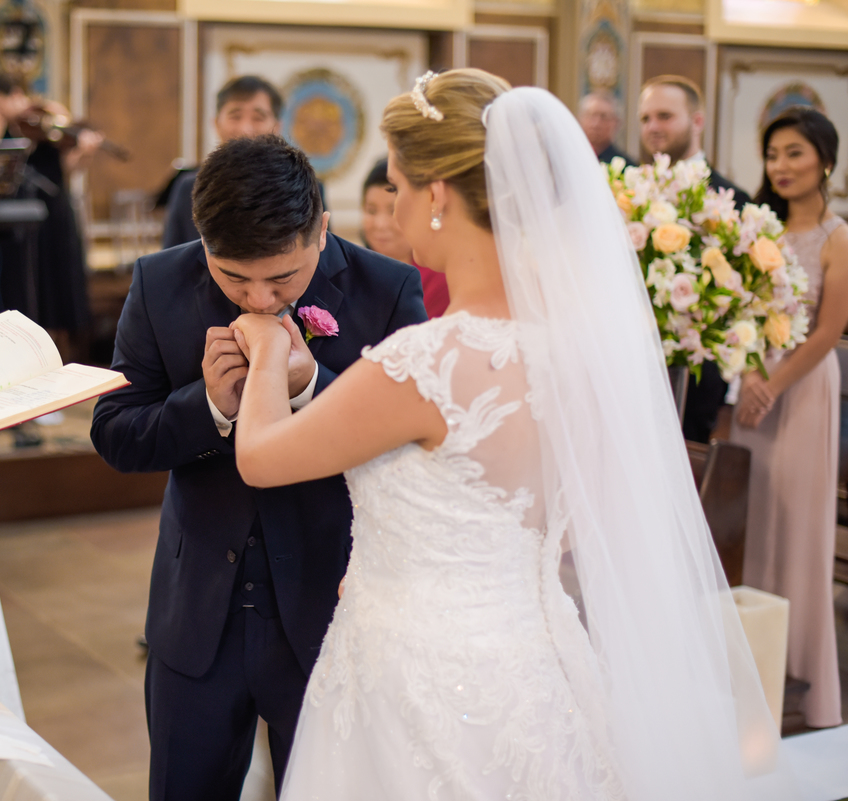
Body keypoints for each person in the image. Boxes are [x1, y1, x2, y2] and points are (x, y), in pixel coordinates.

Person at [229, 69, 793, 800]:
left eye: (397, 186)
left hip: (419, 674)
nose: (391, 206)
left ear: (437, 195)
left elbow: (262, 457)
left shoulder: (422, 363)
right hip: (538, 662)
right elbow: (558, 525)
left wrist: (269, 350)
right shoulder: (580, 356)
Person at [90, 134, 426, 800]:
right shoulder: (159, 284)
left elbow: (412, 455)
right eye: (234, 278)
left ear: (322, 228)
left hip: (330, 610)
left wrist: (311, 389)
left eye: (283, 278)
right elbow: (117, 434)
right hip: (197, 617)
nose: (260, 299)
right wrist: (208, 406)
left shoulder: (387, 291)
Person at [731, 106, 848, 729]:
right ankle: (748, 663)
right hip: (755, 383)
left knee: (797, 523)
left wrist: (772, 385)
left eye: (794, 153)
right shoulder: (758, 229)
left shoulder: (837, 237)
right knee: (756, 512)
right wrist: (748, 372)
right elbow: (736, 305)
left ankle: (801, 681)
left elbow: (830, 330)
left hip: (802, 388)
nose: (780, 166)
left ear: (824, 159)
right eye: (773, 154)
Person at [639, 74, 749, 443]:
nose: (653, 127)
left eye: (665, 116)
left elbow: (742, 303)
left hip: (700, 384)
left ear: (697, 121)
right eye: (645, 118)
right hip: (634, 370)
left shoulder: (732, 199)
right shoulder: (630, 194)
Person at [0, 73, 101, 358]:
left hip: (53, 210)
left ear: (16, 95)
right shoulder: (1, 127)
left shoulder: (49, 115)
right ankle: (23, 350)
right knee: (23, 286)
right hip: (17, 218)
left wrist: (86, 152)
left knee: (56, 280)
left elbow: (69, 168)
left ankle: (60, 352)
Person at [161, 75, 284, 249]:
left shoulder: (307, 187)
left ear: (277, 127)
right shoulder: (188, 188)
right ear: (216, 123)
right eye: (235, 116)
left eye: (258, 118)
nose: (245, 129)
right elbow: (171, 262)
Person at [361, 156, 448, 316]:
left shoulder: (438, 279)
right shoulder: (351, 272)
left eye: (392, 211)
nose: (380, 224)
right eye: (371, 211)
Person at [578, 90, 635, 165]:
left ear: (616, 123)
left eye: (603, 117)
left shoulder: (626, 165)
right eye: (591, 115)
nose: (596, 124)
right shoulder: (570, 157)